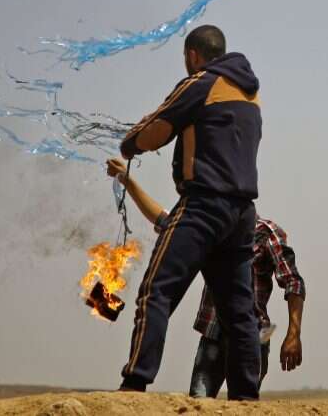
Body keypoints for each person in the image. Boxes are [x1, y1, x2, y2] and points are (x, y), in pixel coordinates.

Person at [115, 24, 263, 400]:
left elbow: (154, 131)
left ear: (193, 55)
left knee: (156, 291)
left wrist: (129, 144)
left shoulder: (200, 82)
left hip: (203, 206)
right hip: (242, 213)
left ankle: (134, 383)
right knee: (239, 312)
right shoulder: (250, 94)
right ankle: (246, 397)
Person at [106, 158, 306, 397]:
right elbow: (163, 218)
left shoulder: (266, 232)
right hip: (213, 333)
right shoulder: (204, 227)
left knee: (242, 405)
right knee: (200, 401)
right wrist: (127, 181)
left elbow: (293, 282)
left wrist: (293, 334)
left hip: (250, 336)